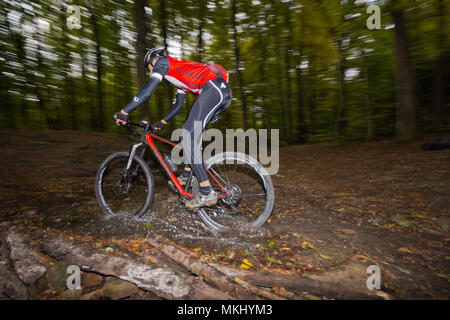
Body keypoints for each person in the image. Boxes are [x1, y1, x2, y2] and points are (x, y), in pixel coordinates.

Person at [114, 47, 232, 209]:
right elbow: (178, 105)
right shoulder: (178, 73)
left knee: (188, 137)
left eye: (149, 68)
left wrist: (124, 111)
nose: (150, 73)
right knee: (188, 132)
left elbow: (147, 92)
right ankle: (187, 174)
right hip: (218, 92)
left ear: (153, 60)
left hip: (213, 89)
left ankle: (206, 192)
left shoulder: (162, 63)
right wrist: (161, 123)